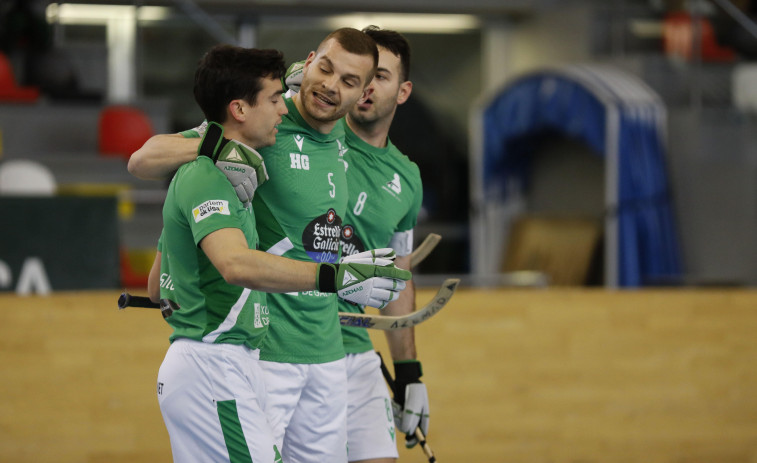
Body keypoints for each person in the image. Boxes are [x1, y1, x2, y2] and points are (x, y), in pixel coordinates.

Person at [130, 29, 383, 463]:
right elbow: (141, 160)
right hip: (261, 351)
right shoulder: (264, 117)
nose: (330, 86)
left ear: (363, 93)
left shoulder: (339, 130)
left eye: (348, 81)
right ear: (307, 63)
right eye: (324, 69)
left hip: (326, 351)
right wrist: (215, 145)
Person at [336, 27, 428, 463]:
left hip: (357, 352)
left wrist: (409, 373)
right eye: (361, 75)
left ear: (403, 91)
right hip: (288, 348)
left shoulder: (407, 177)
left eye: (382, 76)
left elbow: (398, 276)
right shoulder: (312, 138)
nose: (367, 86)